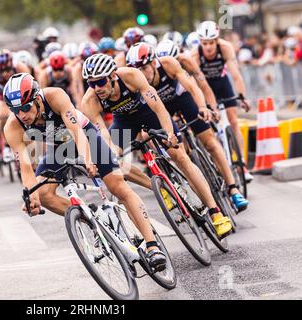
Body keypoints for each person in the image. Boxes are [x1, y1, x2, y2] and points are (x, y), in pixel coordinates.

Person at [3, 73, 167, 270]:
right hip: (59, 147)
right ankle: (92, 219)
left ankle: (152, 245)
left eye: (25, 108)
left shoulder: (54, 96)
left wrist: (88, 160)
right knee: (44, 194)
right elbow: (26, 168)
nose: (22, 115)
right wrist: (31, 197)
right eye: (16, 110)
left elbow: (76, 131)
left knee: (117, 186)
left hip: (85, 135)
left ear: (37, 99)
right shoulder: (12, 126)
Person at [78, 53, 233, 237]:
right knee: (112, 162)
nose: (96, 88)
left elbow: (158, 106)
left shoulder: (131, 76)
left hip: (148, 113)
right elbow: (103, 135)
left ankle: (215, 213)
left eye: (100, 82)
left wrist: (169, 133)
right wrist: (111, 154)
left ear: (112, 76)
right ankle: (159, 187)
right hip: (124, 122)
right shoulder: (89, 101)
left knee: (180, 156)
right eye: (91, 83)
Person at [128, 42, 248, 212]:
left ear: (154, 63)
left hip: (183, 99)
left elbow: (194, 87)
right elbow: (142, 116)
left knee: (210, 143)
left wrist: (204, 107)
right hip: (162, 109)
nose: (141, 73)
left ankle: (233, 189)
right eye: (136, 70)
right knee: (176, 152)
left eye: (144, 68)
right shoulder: (134, 81)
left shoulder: (169, 64)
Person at [191, 21, 253, 182]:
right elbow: (196, 84)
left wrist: (242, 97)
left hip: (222, 83)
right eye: (205, 43)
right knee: (210, 127)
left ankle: (242, 165)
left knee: (233, 121)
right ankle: (218, 159)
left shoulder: (225, 48)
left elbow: (236, 75)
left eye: (211, 42)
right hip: (205, 87)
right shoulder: (195, 55)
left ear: (217, 40)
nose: (209, 47)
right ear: (200, 43)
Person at [0, 50, 31, 161]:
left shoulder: (21, 68)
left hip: (19, 94)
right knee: (2, 114)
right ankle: (6, 145)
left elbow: (32, 87)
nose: (6, 74)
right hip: (1, 96)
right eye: (2, 71)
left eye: (8, 70)